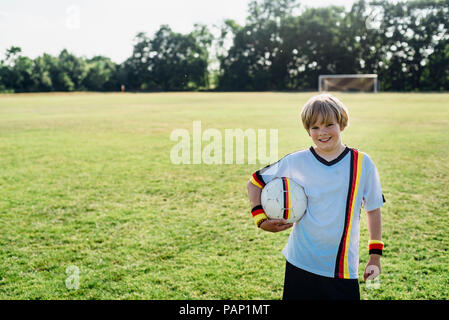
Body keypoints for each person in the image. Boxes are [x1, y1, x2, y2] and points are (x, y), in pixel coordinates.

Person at [247, 93, 385, 300]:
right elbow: (255, 182)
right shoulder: (296, 161)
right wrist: (260, 219)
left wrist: (375, 256)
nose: (322, 132)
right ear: (308, 130)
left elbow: (373, 209)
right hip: (300, 262)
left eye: (329, 124)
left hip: (342, 267)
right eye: (315, 127)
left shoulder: (362, 163)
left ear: (342, 124)